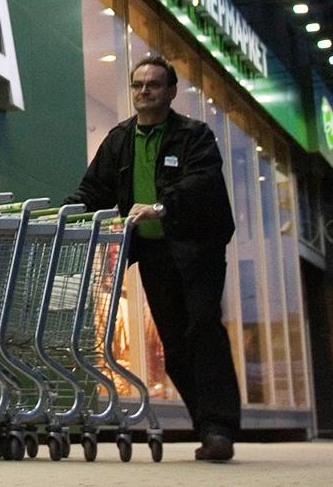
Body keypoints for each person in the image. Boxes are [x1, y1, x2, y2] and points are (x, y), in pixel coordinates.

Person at [66, 55, 241, 461]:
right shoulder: (121, 139)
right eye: (138, 85)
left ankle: (218, 428)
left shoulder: (194, 136)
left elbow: (201, 184)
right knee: (174, 343)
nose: (144, 91)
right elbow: (93, 190)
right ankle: (206, 426)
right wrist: (64, 213)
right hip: (155, 254)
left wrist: (161, 207)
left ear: (171, 91)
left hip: (197, 250)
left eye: (154, 85)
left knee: (203, 328)